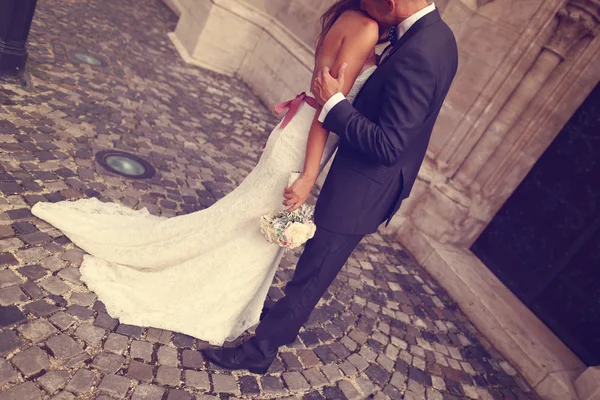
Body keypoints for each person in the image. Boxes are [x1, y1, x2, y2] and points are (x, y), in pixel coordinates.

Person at [30, 1, 384, 347]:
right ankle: (218, 295)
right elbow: (328, 105)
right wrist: (309, 174)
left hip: (297, 133)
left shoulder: (347, 15)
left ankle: (230, 291)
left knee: (249, 217)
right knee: (260, 221)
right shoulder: (366, 28)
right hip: (305, 142)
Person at [202, 0, 458, 374]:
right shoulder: (437, 35)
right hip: (363, 176)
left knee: (315, 269)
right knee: (313, 264)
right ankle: (283, 314)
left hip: (365, 185)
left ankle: (259, 352)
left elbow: (388, 145)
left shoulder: (422, 48)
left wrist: (333, 103)